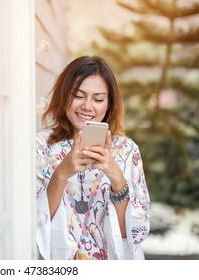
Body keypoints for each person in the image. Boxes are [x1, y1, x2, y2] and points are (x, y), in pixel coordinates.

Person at [36, 55, 150, 260]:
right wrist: (61, 174)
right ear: (64, 97)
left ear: (109, 104)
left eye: (98, 99)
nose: (88, 106)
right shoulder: (40, 147)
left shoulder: (126, 150)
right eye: (78, 96)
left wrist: (117, 179)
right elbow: (36, 224)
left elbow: (131, 236)